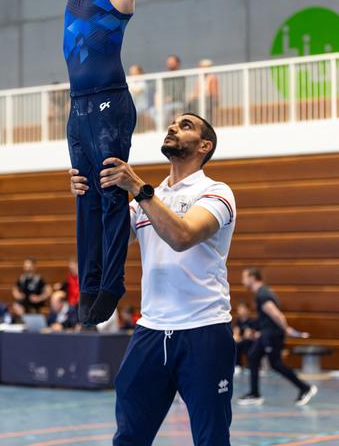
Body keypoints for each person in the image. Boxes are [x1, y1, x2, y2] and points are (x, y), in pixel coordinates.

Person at [45, 0, 176, 326]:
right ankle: (90, 282)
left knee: (109, 188)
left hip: (109, 102)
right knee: (84, 192)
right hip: (78, 107)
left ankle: (112, 282)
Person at [71, 112, 236, 446]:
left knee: (211, 439)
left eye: (186, 125)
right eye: (173, 123)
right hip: (150, 333)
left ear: (205, 146)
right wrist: (85, 196)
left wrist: (136, 188)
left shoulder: (217, 193)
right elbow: (107, 244)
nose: (173, 127)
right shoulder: (148, 200)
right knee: (129, 436)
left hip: (204, 331)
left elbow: (182, 236)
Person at [238, 267, 318, 406]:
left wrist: (286, 329)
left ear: (252, 277)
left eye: (244, 277)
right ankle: (254, 394)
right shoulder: (262, 293)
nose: (242, 281)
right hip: (266, 334)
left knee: (276, 364)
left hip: (272, 335)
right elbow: (266, 317)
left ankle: (305, 388)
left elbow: (276, 314)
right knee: (253, 356)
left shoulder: (262, 294)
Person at [187, 59, 219, 124]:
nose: (202, 68)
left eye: (204, 67)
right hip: (200, 99)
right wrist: (193, 95)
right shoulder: (200, 78)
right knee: (190, 103)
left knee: (202, 104)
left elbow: (213, 93)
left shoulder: (212, 78)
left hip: (210, 99)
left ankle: (205, 123)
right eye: (201, 67)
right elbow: (196, 91)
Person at [233, 301, 257, 370]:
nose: (240, 311)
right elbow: (236, 332)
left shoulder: (252, 321)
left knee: (246, 342)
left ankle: (250, 365)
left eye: (242, 309)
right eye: (239, 309)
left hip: (251, 341)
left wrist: (240, 338)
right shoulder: (238, 321)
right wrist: (236, 338)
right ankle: (237, 365)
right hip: (241, 341)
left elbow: (248, 335)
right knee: (235, 344)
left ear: (248, 310)